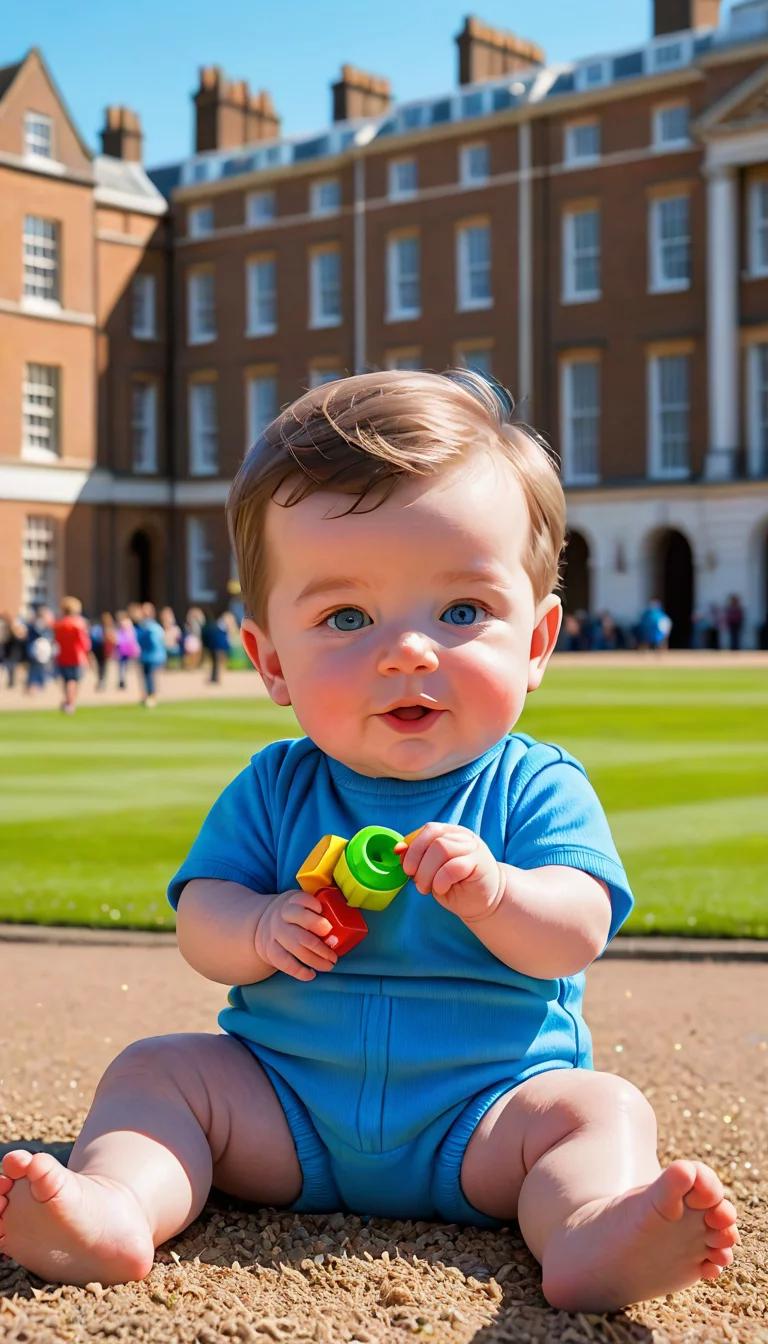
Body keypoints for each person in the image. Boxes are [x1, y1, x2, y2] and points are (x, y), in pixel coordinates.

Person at [0, 371, 739, 1310]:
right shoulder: (277, 784)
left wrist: (500, 894)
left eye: (462, 612)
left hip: (487, 1117)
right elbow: (202, 919)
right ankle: (115, 1208)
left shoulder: (533, 784)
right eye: (346, 617)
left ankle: (592, 1232)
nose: (409, 651)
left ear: (538, 640)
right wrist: (261, 925)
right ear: (271, 660)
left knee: (602, 1111)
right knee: (157, 1072)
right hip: (283, 1104)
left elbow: (579, 927)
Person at [52, 596, 91, 714]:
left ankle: (68, 701)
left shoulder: (59, 624)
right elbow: (84, 643)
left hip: (63, 656)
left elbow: (56, 641)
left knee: (66, 681)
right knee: (73, 681)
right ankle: (70, 703)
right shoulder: (79, 624)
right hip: (77, 656)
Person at [133, 602, 167, 707]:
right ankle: (147, 695)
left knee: (150, 676)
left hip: (154, 656)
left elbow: (156, 642)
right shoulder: (141, 626)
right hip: (144, 656)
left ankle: (152, 696)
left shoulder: (153, 627)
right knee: (145, 677)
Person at [24, 605, 54, 693]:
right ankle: (33, 686)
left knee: (39, 668)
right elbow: (41, 634)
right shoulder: (39, 623)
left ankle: (37, 685)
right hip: (37, 650)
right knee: (35, 668)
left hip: (39, 650)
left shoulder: (39, 623)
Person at [201, 609, 231, 684]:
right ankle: (215, 678)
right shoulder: (215, 625)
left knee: (212, 663)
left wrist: (205, 647)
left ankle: (214, 678)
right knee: (216, 663)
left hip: (212, 647)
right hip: (217, 647)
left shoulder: (206, 626)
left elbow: (204, 637)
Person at [89, 612, 117, 690]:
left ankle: (101, 680)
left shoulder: (101, 628)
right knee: (103, 665)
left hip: (101, 649)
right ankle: (102, 680)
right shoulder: (103, 628)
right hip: (101, 649)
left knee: (101, 665)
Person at [115, 610, 139, 690]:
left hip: (124, 648)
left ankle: (123, 680)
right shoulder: (129, 625)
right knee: (124, 666)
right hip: (125, 648)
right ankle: (123, 680)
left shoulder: (124, 624)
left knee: (123, 666)